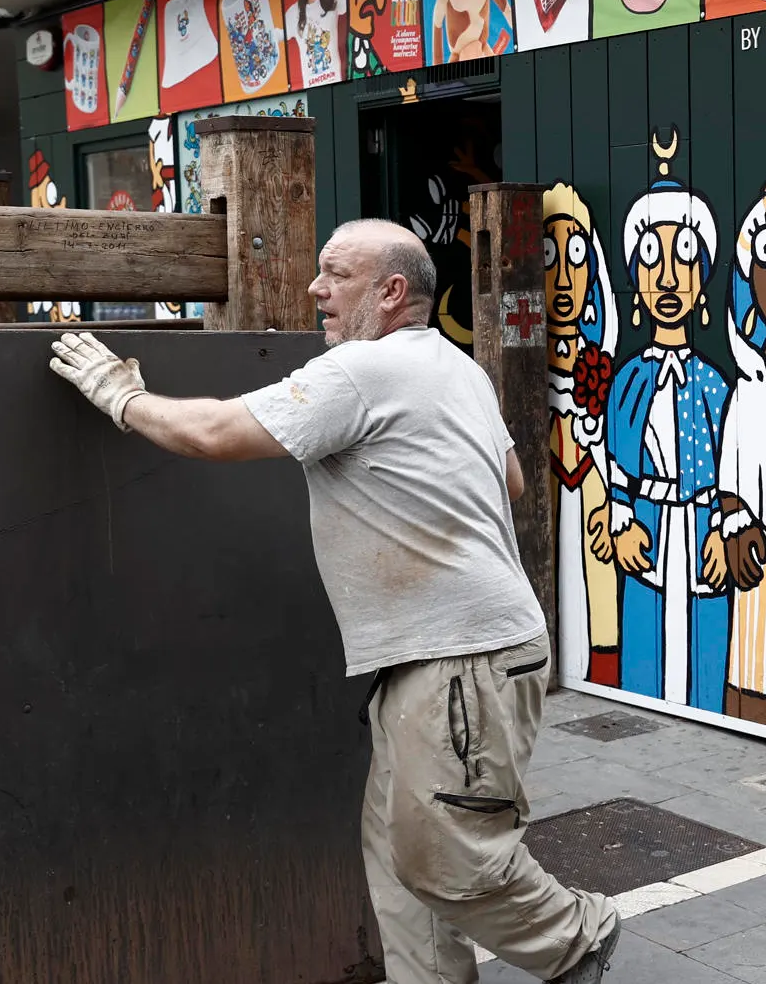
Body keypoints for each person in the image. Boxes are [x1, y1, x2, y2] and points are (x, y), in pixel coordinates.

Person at [45, 219, 620, 984]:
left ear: (390, 292)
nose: (316, 289)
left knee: (444, 858)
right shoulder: (457, 368)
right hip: (445, 657)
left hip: (458, 658)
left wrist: (122, 395)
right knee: (394, 850)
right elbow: (511, 481)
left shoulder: (361, 371)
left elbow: (213, 433)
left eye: (334, 273)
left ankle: (577, 937)